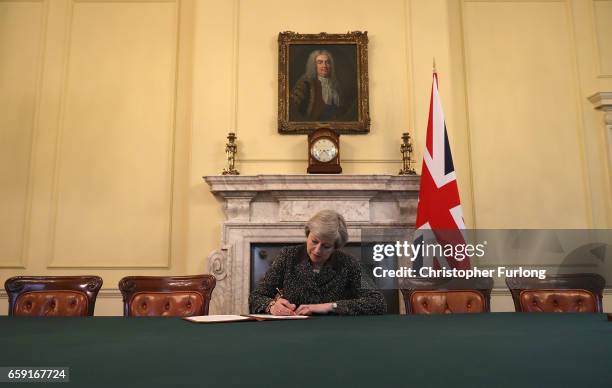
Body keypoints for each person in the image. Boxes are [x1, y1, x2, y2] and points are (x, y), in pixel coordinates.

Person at [249, 210, 386, 315]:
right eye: (314, 241)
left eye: (326, 246)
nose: (317, 250)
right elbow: (256, 297)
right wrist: (271, 306)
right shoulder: (288, 256)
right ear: (308, 234)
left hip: (336, 331)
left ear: (335, 247)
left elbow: (377, 302)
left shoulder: (349, 263)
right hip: (292, 329)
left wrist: (330, 306)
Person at [290, 50, 354, 121]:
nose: (324, 66)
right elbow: (293, 109)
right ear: (314, 65)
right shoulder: (305, 84)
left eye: (327, 62)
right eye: (320, 62)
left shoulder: (336, 85)